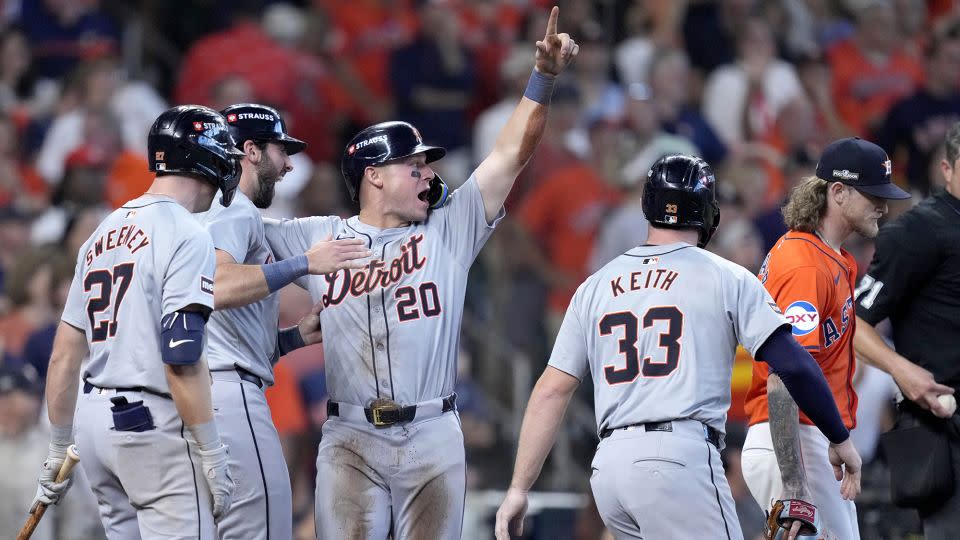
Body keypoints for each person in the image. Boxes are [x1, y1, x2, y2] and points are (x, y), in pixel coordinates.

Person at [263, 7, 578, 538]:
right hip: (349, 436)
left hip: (431, 431)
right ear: (374, 178)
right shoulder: (316, 238)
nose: (429, 175)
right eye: (415, 166)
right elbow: (234, 229)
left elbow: (508, 156)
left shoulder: (448, 229)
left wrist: (542, 80)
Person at [495, 154, 862, 540]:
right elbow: (796, 366)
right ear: (708, 213)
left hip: (609, 471)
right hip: (677, 458)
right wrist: (839, 437)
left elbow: (551, 390)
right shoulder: (726, 276)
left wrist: (519, 487)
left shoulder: (594, 285)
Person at [28, 105, 244, 538]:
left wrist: (57, 446)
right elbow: (182, 355)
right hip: (150, 426)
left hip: (92, 428)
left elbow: (65, 355)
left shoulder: (100, 231)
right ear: (206, 158)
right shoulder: (186, 232)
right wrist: (211, 451)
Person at [199, 103, 371, 539]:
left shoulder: (193, 213)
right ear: (251, 151)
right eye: (281, 150)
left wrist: (292, 339)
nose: (289, 163)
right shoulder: (234, 209)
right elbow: (216, 287)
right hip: (228, 396)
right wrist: (302, 263)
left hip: (189, 389)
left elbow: (212, 328)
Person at [741, 137, 911, 540]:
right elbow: (785, 377)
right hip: (791, 442)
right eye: (873, 195)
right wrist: (795, 483)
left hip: (807, 439)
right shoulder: (806, 266)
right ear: (838, 192)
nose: (883, 206)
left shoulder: (829, 258)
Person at [853, 123, 960, 539]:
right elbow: (855, 323)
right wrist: (902, 369)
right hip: (945, 424)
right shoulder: (917, 232)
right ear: (946, 170)